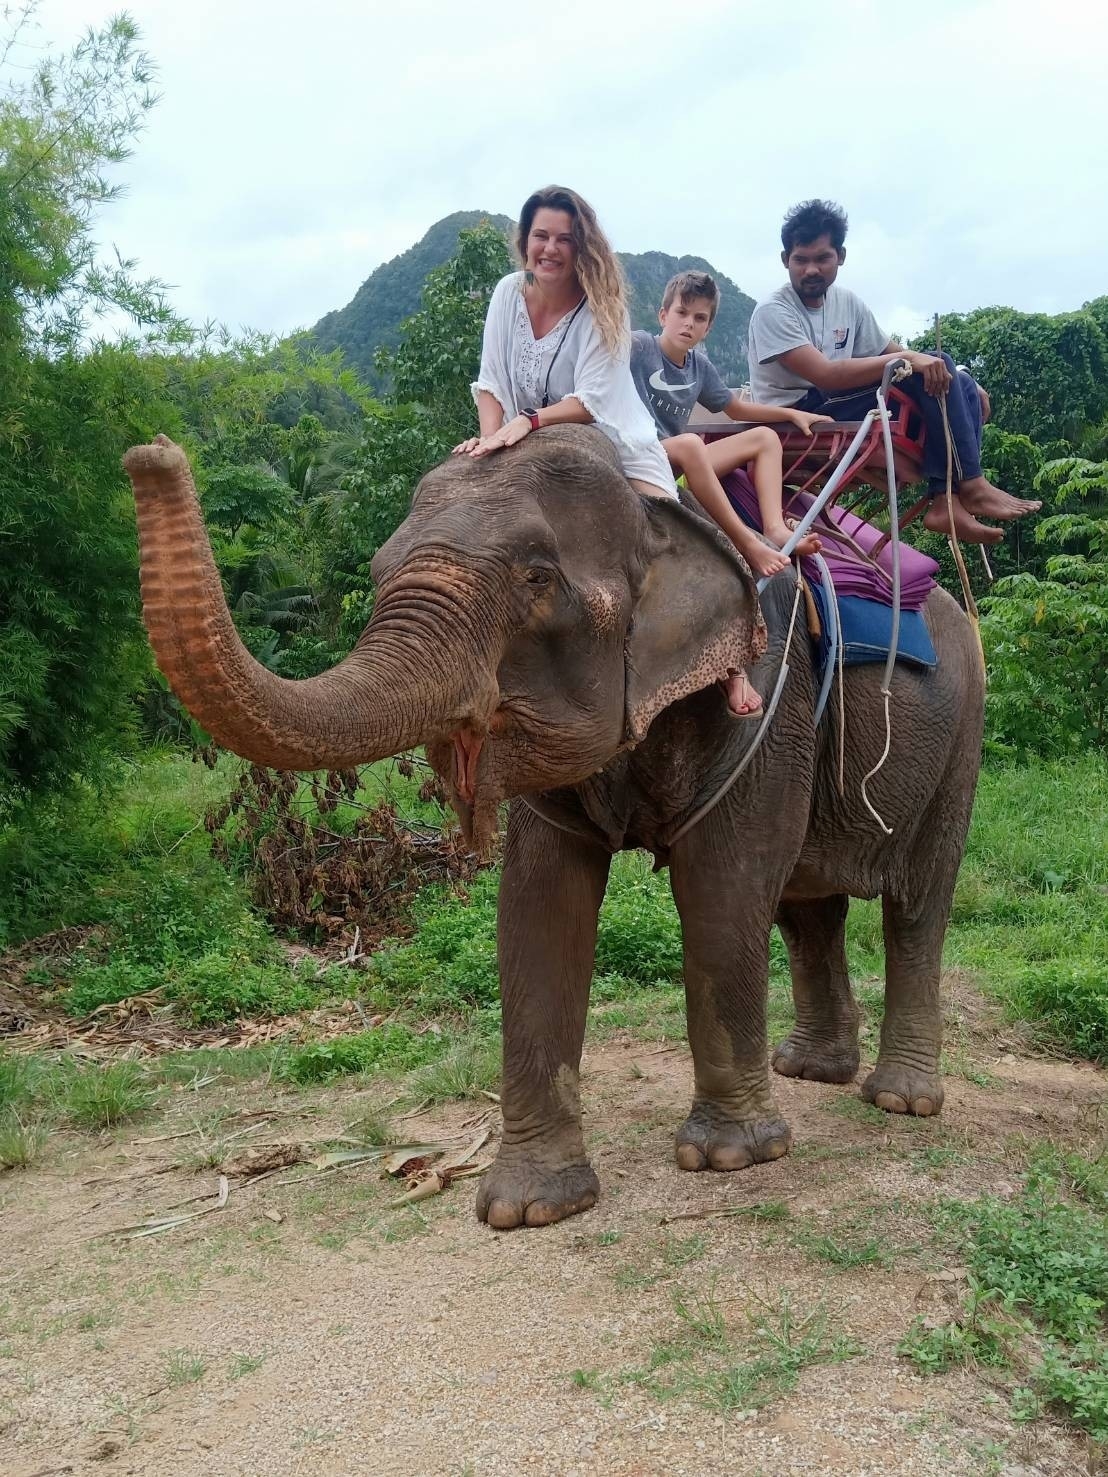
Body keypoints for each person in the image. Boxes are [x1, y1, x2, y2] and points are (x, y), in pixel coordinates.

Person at [747, 199, 1040, 545]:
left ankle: (947, 500)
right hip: (796, 411)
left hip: (833, 401)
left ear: (840, 256)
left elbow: (896, 353)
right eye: (801, 260)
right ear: (786, 261)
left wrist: (964, 379)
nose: (811, 269)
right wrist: (914, 361)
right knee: (923, 365)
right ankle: (971, 484)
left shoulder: (847, 303)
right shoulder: (773, 311)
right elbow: (826, 375)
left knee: (949, 373)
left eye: (822, 258)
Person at [454, 185, 676, 500]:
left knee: (665, 527)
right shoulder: (508, 292)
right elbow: (491, 381)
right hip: (526, 438)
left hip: (615, 444)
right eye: (541, 236)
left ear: (582, 248)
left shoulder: (605, 308)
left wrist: (529, 420)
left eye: (565, 240)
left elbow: (591, 402)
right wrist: (490, 440)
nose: (550, 248)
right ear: (525, 242)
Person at [630, 269, 831, 584]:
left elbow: (736, 408)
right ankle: (746, 543)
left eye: (699, 318)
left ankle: (774, 527)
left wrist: (791, 415)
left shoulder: (700, 367)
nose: (688, 323)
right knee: (691, 443)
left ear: (707, 328)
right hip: (637, 456)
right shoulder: (641, 346)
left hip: (672, 463)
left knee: (765, 438)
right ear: (663, 315)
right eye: (681, 313)